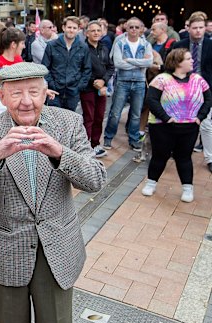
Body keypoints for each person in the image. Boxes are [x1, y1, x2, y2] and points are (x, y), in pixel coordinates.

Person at [0, 62, 106, 323]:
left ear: (45, 93)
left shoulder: (68, 123)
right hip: (7, 249)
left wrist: (60, 152)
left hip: (58, 246)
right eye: (16, 93)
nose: (26, 101)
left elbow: (96, 180)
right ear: (1, 96)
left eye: (33, 92)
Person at [142, 48, 212, 202]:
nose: (192, 61)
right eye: (188, 59)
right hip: (162, 127)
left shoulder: (198, 80)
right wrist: (166, 117)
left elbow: (208, 99)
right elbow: (151, 100)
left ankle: (188, 188)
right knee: (160, 156)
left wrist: (200, 117)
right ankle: (151, 183)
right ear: (178, 62)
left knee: (184, 157)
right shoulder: (161, 79)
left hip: (189, 127)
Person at [103, 17, 153, 151]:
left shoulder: (146, 44)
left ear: (141, 29)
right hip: (123, 81)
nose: (134, 30)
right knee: (115, 112)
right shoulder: (120, 43)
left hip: (139, 82)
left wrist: (130, 60)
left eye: (137, 27)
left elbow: (149, 63)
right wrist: (139, 62)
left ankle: (133, 139)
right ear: (126, 28)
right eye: (131, 27)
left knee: (136, 113)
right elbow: (118, 63)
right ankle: (108, 138)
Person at [173, 13, 212, 172]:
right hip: (182, 88)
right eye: (194, 28)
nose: (198, 31)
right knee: (178, 121)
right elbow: (171, 67)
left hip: (204, 89)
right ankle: (178, 151)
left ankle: (210, 158)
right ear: (188, 28)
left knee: (206, 124)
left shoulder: (211, 45)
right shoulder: (179, 45)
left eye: (201, 28)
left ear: (205, 28)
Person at [42, 16, 92, 111]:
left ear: (78, 30)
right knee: (54, 121)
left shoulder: (83, 47)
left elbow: (87, 69)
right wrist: (52, 84)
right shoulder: (52, 45)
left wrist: (79, 87)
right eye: (69, 27)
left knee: (69, 121)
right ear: (64, 28)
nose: (71, 30)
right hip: (54, 91)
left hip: (73, 92)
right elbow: (44, 68)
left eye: (74, 28)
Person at [80, 21, 114, 158]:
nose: (95, 33)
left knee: (99, 116)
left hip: (101, 88)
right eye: (92, 30)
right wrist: (94, 81)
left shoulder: (104, 47)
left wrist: (103, 80)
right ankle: (85, 146)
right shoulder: (82, 48)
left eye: (98, 30)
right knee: (89, 117)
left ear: (102, 32)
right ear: (86, 33)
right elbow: (80, 68)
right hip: (88, 87)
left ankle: (95, 144)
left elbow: (111, 67)